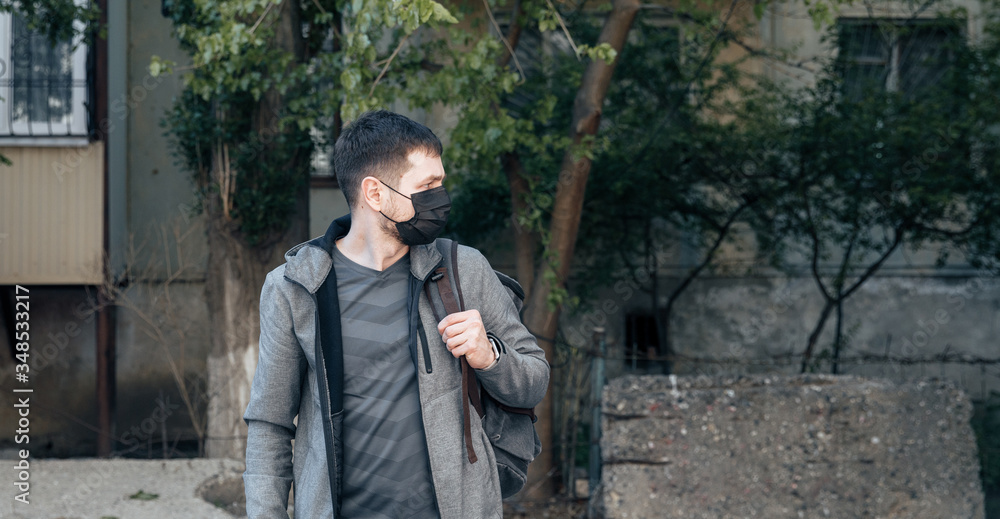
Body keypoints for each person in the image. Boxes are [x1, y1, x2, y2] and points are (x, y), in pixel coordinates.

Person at [242, 109, 550, 519]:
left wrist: (489, 356)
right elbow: (270, 424)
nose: (440, 199)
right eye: (428, 186)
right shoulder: (295, 288)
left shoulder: (462, 269)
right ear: (374, 193)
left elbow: (534, 381)